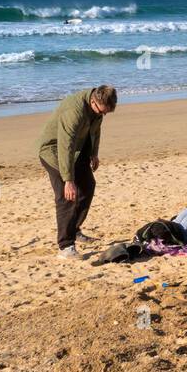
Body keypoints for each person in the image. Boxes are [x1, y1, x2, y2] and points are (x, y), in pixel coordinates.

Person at [37, 85, 117, 258]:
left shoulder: (97, 109)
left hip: (77, 150)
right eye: (101, 111)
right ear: (93, 101)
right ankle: (65, 246)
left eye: (106, 113)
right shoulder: (74, 111)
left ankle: (74, 228)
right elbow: (65, 145)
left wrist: (94, 153)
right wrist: (68, 180)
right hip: (54, 151)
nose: (102, 115)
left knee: (88, 186)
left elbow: (96, 131)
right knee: (67, 196)